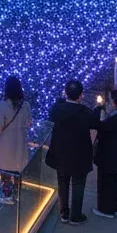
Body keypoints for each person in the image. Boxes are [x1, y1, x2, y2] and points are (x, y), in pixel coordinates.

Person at [45, 79, 100, 224]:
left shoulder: (57, 109)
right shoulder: (85, 112)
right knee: (78, 184)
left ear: (65, 93)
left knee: (62, 182)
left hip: (60, 153)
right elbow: (95, 123)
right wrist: (99, 108)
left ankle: (64, 213)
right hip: (80, 155)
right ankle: (76, 215)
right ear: (81, 95)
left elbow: (51, 115)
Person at [0, 75, 32, 205]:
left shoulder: (3, 106)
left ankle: (7, 194)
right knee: (17, 169)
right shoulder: (25, 105)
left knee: (5, 170)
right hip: (20, 143)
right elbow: (29, 123)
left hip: (5, 144)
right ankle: (18, 192)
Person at [92, 89, 117, 218]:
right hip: (115, 151)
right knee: (113, 180)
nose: (108, 102)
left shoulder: (115, 118)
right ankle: (114, 207)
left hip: (108, 153)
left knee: (105, 181)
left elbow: (99, 125)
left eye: (110, 100)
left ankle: (106, 210)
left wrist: (98, 109)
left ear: (114, 103)